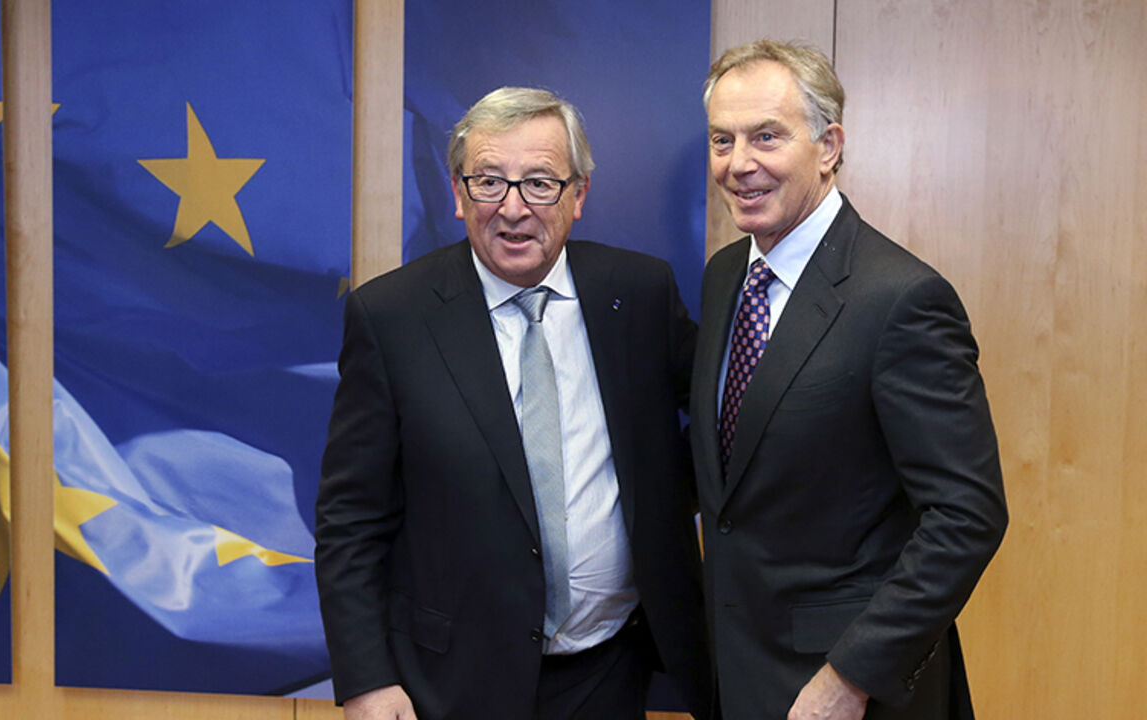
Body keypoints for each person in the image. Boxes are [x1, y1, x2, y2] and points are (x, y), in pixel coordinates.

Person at [315, 87, 712, 720]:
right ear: (457, 194)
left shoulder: (637, 293)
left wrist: (669, 497)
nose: (513, 208)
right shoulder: (391, 317)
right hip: (449, 681)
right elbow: (350, 520)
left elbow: (728, 417)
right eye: (489, 182)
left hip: (610, 670)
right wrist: (365, 678)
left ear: (579, 196)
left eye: (540, 183)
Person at [690, 40, 1009, 720]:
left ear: (829, 145)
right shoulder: (725, 276)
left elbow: (967, 516)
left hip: (846, 691)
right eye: (722, 139)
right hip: (737, 668)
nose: (738, 163)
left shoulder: (902, 298)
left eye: (766, 137)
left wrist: (851, 676)